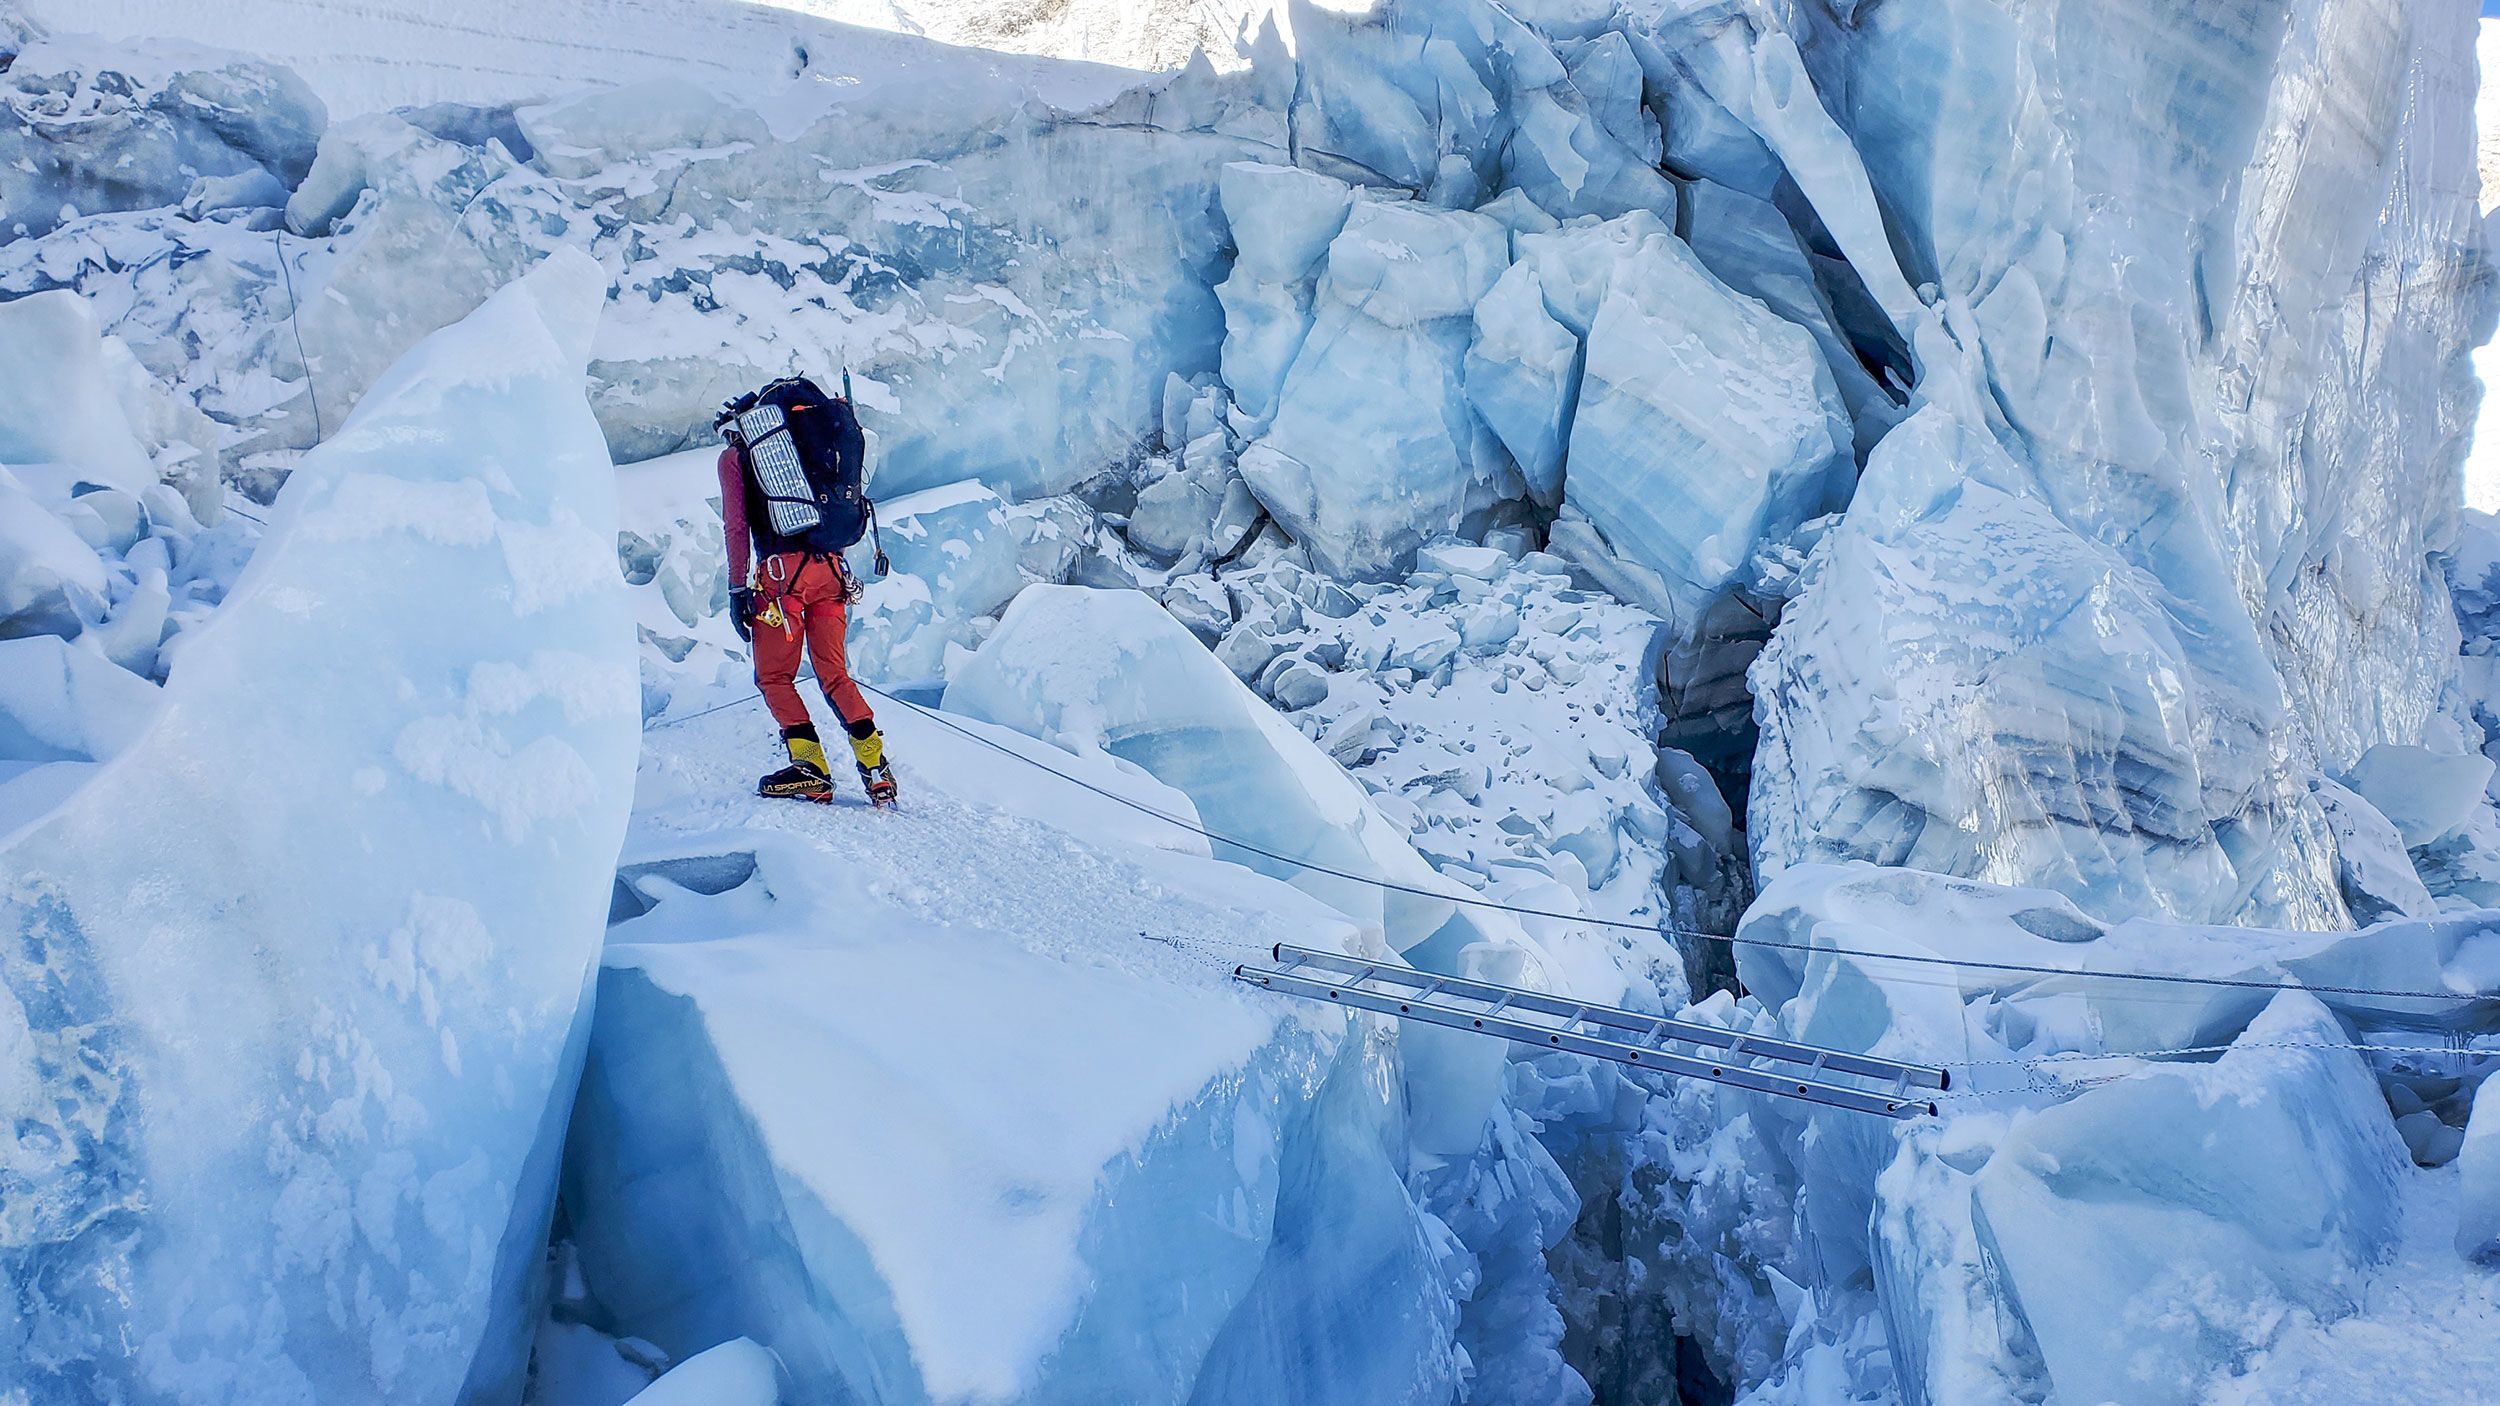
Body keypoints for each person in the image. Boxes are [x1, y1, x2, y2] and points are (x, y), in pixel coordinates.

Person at [718, 401, 899, 807]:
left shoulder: (735, 456)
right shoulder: (804, 446)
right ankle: (876, 768)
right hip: (831, 570)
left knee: (774, 677)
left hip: (782, 579)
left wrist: (736, 589)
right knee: (834, 674)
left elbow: (737, 526)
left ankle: (810, 768)